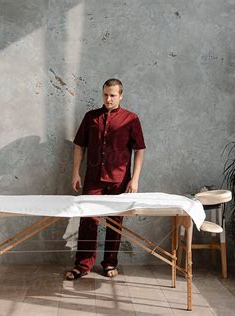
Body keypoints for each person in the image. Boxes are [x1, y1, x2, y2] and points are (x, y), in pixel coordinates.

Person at [65, 78, 146, 280]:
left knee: (114, 222)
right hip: (93, 178)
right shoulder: (91, 117)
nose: (108, 99)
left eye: (113, 95)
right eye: (105, 95)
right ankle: (82, 265)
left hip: (119, 180)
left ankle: (110, 263)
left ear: (121, 95)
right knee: (88, 221)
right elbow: (79, 146)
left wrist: (134, 179)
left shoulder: (131, 119)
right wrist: (75, 172)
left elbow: (140, 150)